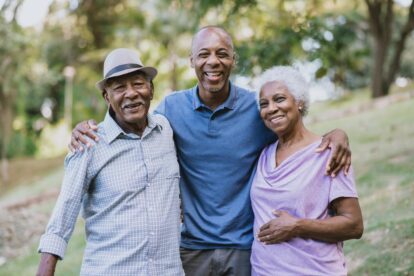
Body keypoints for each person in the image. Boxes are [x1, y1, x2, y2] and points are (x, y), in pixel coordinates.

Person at [70, 26, 352, 275]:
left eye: (222, 53)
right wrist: (87, 128)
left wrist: (337, 134)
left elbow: (296, 131)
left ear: (233, 60)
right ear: (192, 61)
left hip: (244, 248)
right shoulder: (171, 109)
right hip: (191, 250)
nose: (212, 61)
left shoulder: (256, 108)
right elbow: (134, 127)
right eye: (203, 54)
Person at [37, 48, 184, 276]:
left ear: (151, 90)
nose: (131, 94)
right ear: (107, 97)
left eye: (138, 84)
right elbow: (63, 215)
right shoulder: (88, 144)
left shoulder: (165, 130)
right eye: (119, 88)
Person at [251, 66, 363, 275]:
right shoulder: (263, 155)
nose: (271, 108)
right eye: (264, 104)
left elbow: (354, 225)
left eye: (280, 99)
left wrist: (298, 226)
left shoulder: (329, 153)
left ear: (299, 102)